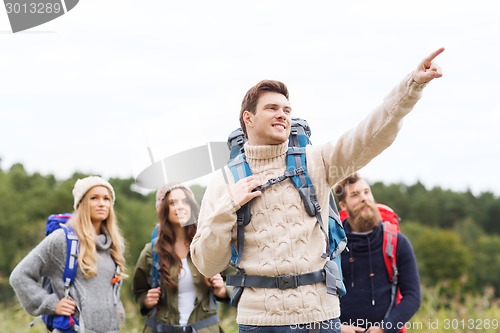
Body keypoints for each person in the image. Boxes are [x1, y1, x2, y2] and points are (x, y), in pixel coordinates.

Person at [190, 48, 444, 333]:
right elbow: (207, 264)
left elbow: (369, 136)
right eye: (272, 108)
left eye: (287, 110)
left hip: (320, 318)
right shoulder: (224, 181)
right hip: (259, 322)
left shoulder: (316, 162)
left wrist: (411, 87)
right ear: (248, 118)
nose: (282, 115)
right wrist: (227, 209)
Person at [10, 176, 127, 333]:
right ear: (81, 203)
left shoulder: (112, 244)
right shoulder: (63, 240)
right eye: (94, 198)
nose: (101, 203)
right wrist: (52, 304)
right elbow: (19, 276)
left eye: (106, 199)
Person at [132, 183, 230, 333]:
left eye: (185, 201)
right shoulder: (151, 251)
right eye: (172, 203)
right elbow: (138, 290)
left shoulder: (208, 245)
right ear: (163, 209)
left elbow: (236, 281)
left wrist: (223, 291)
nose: (180, 207)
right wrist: (146, 301)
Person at [333, 173, 421, 333]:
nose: (364, 198)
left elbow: (413, 296)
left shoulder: (397, 243)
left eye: (367, 192)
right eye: (355, 195)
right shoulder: (333, 245)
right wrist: (337, 327)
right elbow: (317, 294)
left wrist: (384, 328)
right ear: (343, 205)